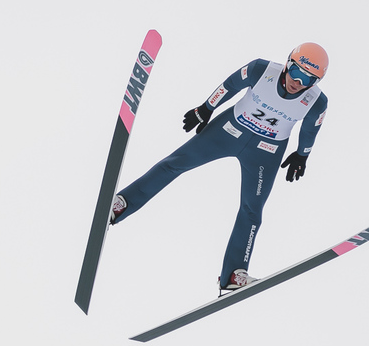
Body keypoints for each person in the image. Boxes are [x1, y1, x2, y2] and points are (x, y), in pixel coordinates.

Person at [110, 42, 329, 293]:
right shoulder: (261, 70)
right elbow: (230, 86)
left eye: (308, 79)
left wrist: (302, 155)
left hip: (265, 152)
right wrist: (206, 108)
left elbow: (311, 130)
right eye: (296, 72)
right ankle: (121, 204)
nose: (298, 82)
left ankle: (233, 274)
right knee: (174, 164)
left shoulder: (316, 102)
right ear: (288, 63)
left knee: (252, 209)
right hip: (227, 132)